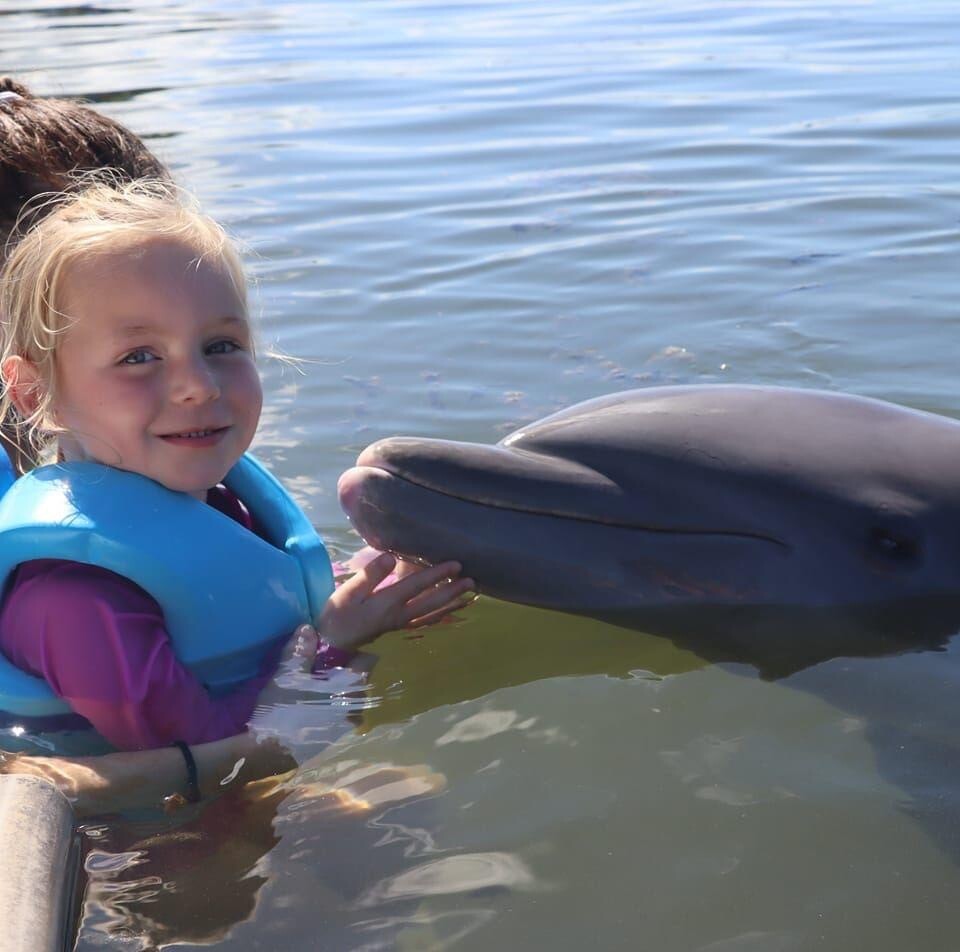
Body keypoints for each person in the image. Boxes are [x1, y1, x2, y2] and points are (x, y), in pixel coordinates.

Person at [0, 178, 474, 756]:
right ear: (32, 394)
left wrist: (369, 584)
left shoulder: (214, 502)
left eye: (221, 345)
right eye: (138, 357)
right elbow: (217, 764)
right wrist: (335, 643)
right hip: (162, 838)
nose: (198, 386)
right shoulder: (74, 599)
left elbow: (253, 597)